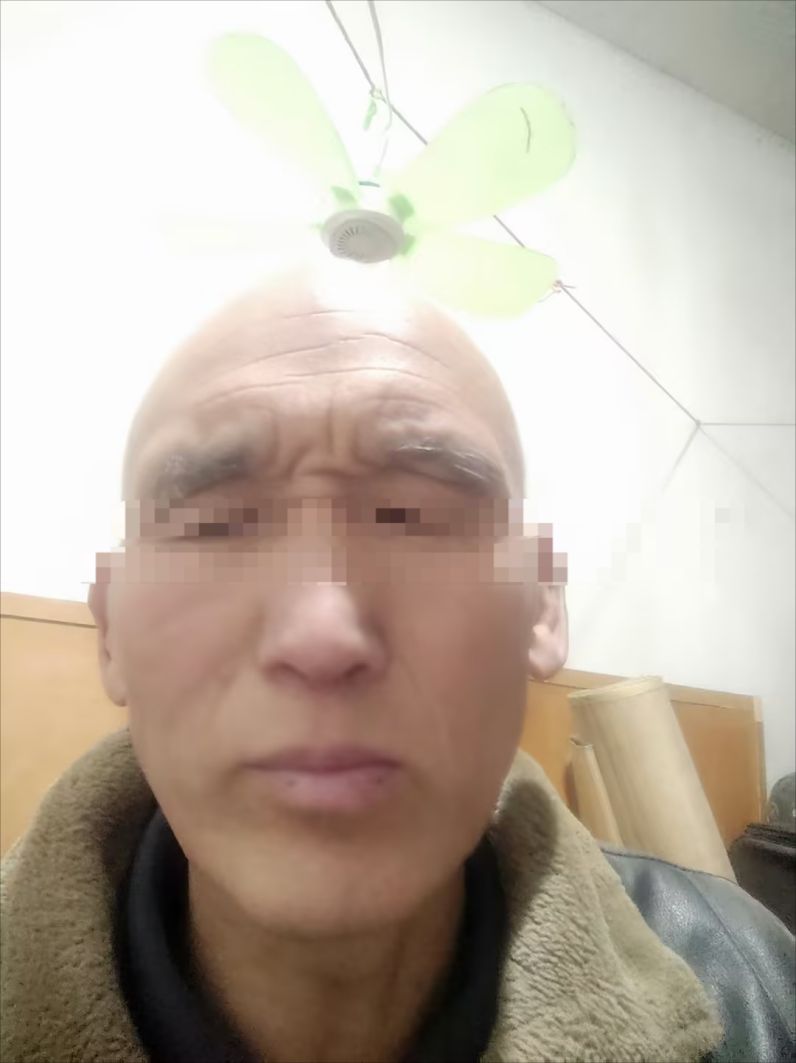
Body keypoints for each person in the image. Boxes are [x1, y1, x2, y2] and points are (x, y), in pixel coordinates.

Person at [1, 261, 793, 1063]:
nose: (321, 634)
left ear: (543, 604)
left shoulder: (758, 987)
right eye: (213, 527)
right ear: (110, 630)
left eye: (415, 516)